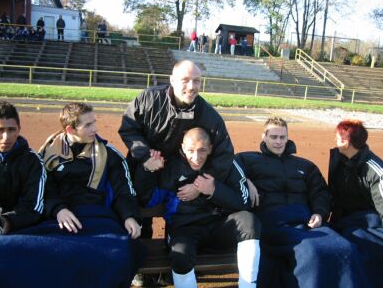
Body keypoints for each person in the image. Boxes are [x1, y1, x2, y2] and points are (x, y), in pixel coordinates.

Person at [119, 59, 235, 286]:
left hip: (184, 174)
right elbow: (128, 127)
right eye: (185, 80)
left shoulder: (208, 114)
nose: (191, 87)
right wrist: (145, 157)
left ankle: (178, 258)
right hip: (147, 168)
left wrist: (200, 184)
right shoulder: (148, 99)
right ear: (172, 80)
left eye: (197, 81)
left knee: (181, 213)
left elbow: (224, 153)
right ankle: (141, 268)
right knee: (142, 212)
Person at [236, 117, 368, 288]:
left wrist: (319, 213)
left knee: (346, 248)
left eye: (282, 137)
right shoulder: (246, 160)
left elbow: (320, 193)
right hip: (272, 223)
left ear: (287, 137)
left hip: (305, 222)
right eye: (273, 137)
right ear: (264, 137)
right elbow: (226, 170)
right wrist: (244, 178)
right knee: (312, 252)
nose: (278, 142)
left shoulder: (306, 166)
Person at [135, 127, 261, 288]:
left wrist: (214, 190)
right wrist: (146, 170)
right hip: (184, 229)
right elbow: (147, 200)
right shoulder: (171, 167)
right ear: (182, 148)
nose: (196, 157)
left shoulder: (226, 163)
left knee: (249, 220)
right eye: (191, 150)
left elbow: (244, 202)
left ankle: (248, 286)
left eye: (202, 150)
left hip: (218, 227)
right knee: (180, 255)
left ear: (210, 148)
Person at [37, 102, 143, 287]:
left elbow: (124, 190)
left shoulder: (110, 155)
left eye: (94, 122)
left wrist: (129, 216)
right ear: (70, 129)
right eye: (87, 125)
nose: (95, 128)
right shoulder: (44, 155)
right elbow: (41, 190)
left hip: (96, 217)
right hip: (57, 220)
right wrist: (58, 209)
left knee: (122, 251)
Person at [328, 119, 383, 288]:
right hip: (342, 220)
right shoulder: (338, 158)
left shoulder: (375, 171)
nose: (335, 139)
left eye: (337, 137)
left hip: (367, 223)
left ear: (346, 142)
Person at [0, 101, 45, 236]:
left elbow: (34, 206)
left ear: (18, 130)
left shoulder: (33, 161)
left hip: (19, 228)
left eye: (11, 130)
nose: (6, 137)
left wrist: (7, 221)